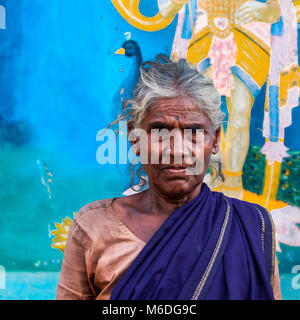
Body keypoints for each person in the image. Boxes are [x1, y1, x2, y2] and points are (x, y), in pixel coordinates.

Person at [56, 55, 281, 300]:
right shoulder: (94, 227)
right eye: (159, 131)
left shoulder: (251, 226)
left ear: (215, 139)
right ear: (135, 137)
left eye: (194, 132)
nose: (176, 149)